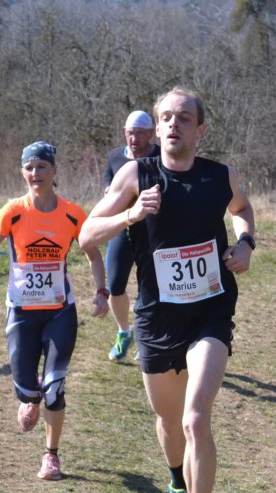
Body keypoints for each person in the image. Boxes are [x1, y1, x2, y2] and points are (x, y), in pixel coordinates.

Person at [80, 87, 256, 493]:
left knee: (196, 419)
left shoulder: (220, 176)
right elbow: (86, 235)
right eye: (166, 117)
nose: (174, 124)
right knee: (169, 419)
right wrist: (132, 214)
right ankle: (176, 483)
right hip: (157, 317)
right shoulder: (135, 176)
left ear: (201, 129)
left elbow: (243, 209)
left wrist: (246, 243)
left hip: (210, 313)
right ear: (156, 129)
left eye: (184, 117)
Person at [0, 141, 108, 481]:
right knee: (28, 387)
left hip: (61, 311)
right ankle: (30, 398)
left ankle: (51, 456)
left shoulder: (73, 214)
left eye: (42, 167)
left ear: (54, 170)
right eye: (30, 168)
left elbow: (93, 254)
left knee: (55, 386)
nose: (36, 173)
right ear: (23, 172)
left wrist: (101, 291)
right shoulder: (12, 212)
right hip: (22, 313)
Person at [102, 110, 160, 361]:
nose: (134, 139)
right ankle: (124, 332)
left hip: (151, 234)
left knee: (150, 290)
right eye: (130, 133)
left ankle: (147, 337)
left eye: (139, 134)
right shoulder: (116, 156)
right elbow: (107, 179)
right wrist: (109, 190)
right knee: (115, 286)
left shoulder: (161, 157)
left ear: (151, 134)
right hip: (122, 229)